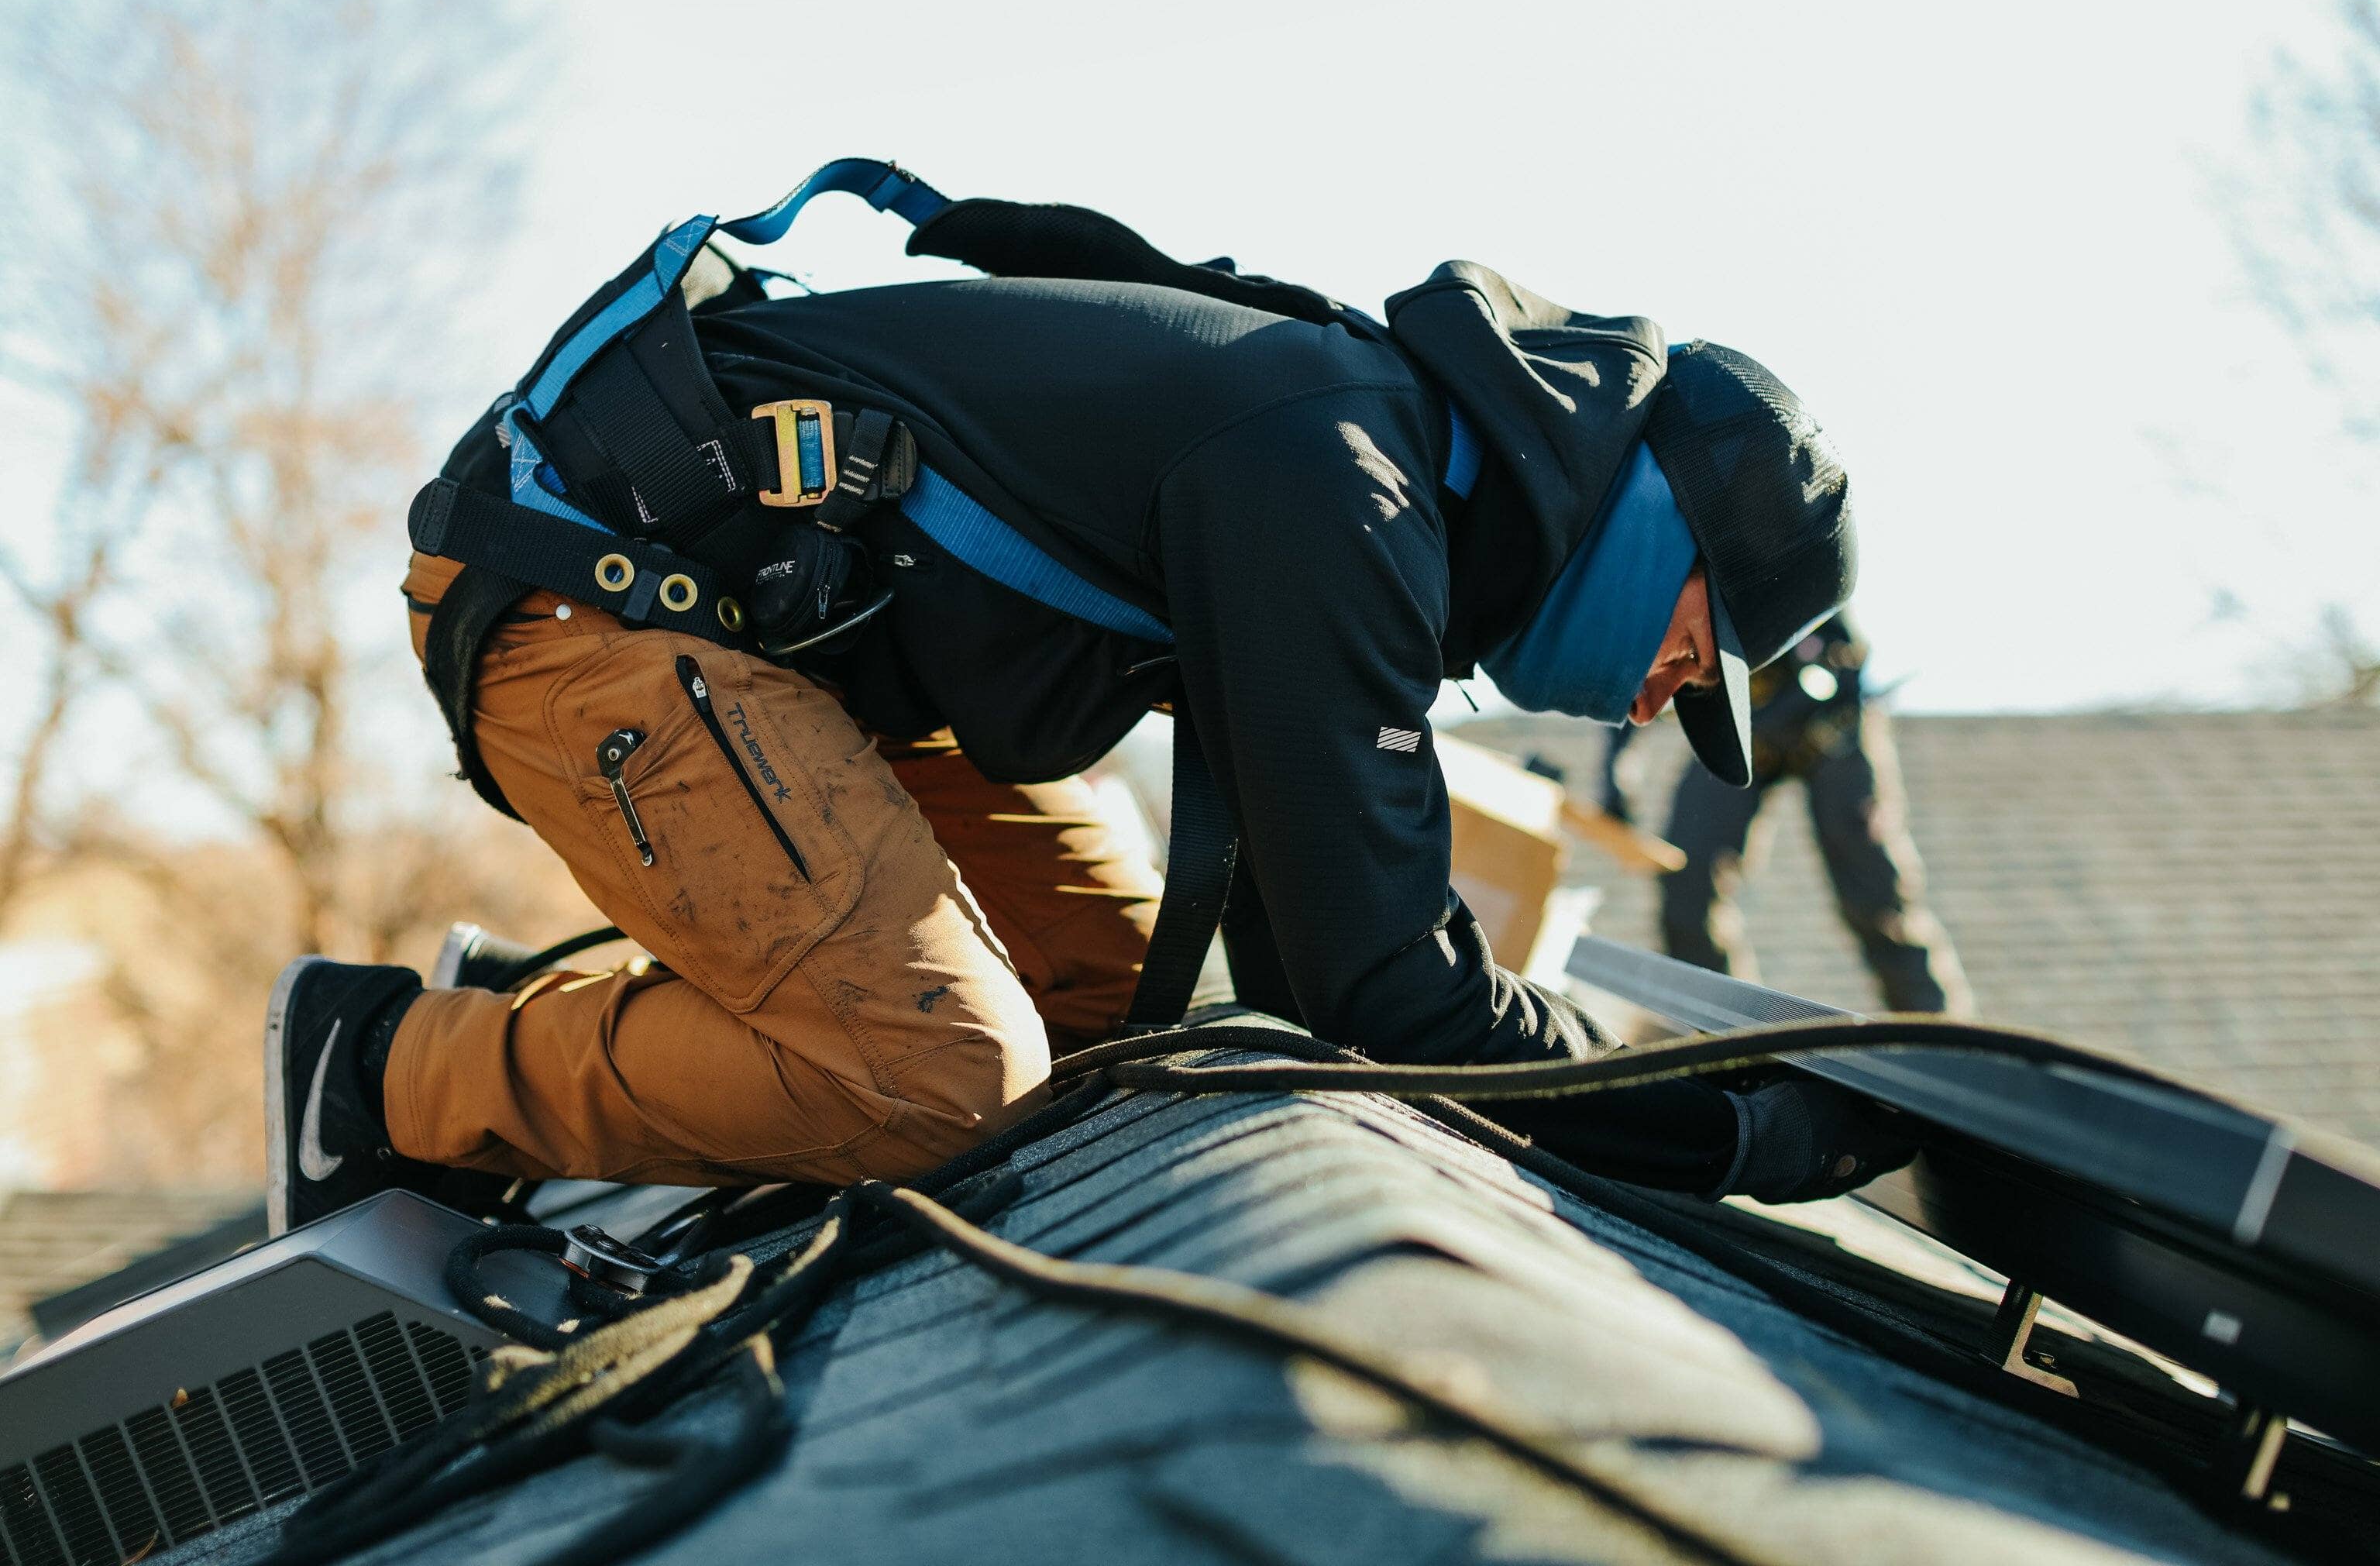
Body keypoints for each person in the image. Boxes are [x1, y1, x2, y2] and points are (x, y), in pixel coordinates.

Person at [263, 172, 1902, 1237]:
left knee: (1130, 1040)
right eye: (1709, 640)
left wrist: (1680, 1096)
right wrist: (1725, 1132)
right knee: (943, 1076)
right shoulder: (1342, 482)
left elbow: (1315, 978)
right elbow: (1397, 995)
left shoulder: (1390, 480)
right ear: (1656, 524)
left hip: (811, 665)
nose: (1679, 689)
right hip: (592, 600)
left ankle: (617, 998)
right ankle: (389, 1067)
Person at [1617, 614, 1974, 1014]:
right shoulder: (1656, 570)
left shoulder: (1769, 553)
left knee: (1877, 899)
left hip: (1830, 719)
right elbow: (1636, 658)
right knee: (1688, 878)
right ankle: (1725, 1033)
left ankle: (1944, 1039)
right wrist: (1616, 766)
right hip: (1742, 720)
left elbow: (1840, 657)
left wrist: (1764, 718)